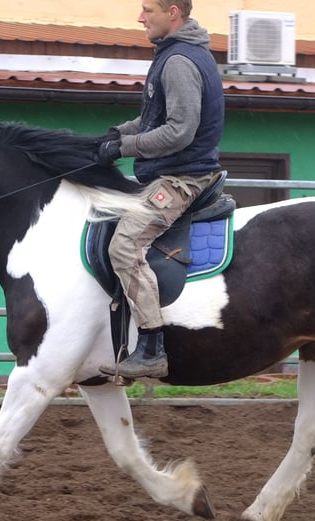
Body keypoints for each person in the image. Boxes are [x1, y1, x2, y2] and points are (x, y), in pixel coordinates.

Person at [96, 0, 225, 379]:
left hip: (182, 179)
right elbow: (153, 118)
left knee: (124, 245)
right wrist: (117, 133)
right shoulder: (177, 54)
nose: (140, 18)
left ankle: (152, 345)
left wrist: (125, 148)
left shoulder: (180, 61)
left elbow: (179, 130)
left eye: (147, 9)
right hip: (172, 171)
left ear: (172, 11)